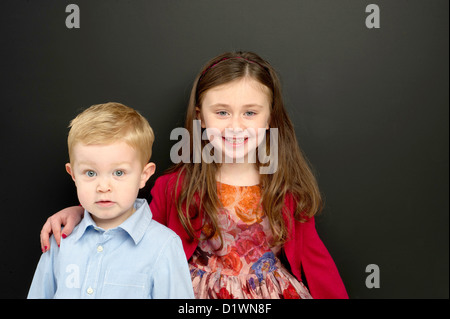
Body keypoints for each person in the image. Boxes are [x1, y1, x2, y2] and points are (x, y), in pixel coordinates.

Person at [40, 52, 348, 299]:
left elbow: (315, 260)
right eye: (222, 112)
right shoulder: (175, 187)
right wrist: (84, 212)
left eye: (250, 113)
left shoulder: (286, 187)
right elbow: (137, 231)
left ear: (270, 118)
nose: (236, 126)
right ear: (200, 115)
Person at [29, 102, 194, 299]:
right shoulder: (60, 240)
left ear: (144, 175)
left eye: (119, 172)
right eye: (90, 173)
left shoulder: (164, 246)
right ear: (73, 175)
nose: (103, 186)